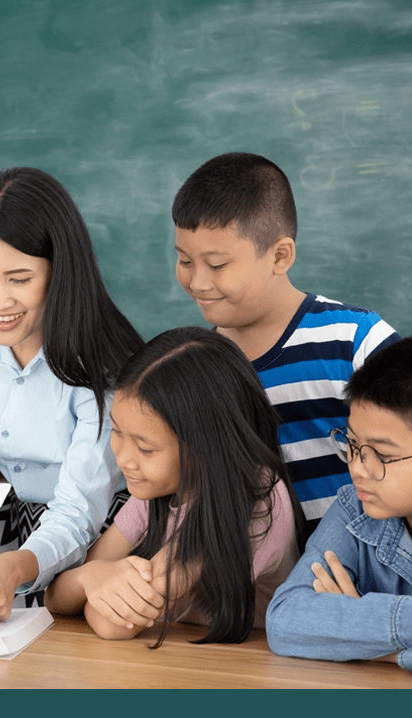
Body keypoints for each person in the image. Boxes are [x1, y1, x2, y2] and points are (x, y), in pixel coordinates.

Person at [0, 166, 145, 633]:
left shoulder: (104, 360)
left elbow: (79, 509)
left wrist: (18, 566)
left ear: (59, 270)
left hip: (107, 526)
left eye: (19, 279)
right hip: (22, 521)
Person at [171, 152, 400, 532]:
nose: (197, 282)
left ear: (280, 256)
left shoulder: (355, 340)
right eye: (184, 261)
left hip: (371, 558)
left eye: (217, 264)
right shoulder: (198, 368)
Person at [44, 326, 305, 644]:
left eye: (145, 448)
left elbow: (116, 624)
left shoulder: (255, 498)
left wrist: (98, 585)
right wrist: (91, 576)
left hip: (246, 663)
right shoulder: (158, 488)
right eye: (117, 431)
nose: (124, 459)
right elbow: (55, 598)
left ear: (206, 446)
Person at [266, 332, 412, 686]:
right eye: (352, 444)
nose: (358, 468)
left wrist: (363, 637)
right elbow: (285, 619)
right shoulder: (355, 507)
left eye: (383, 455)